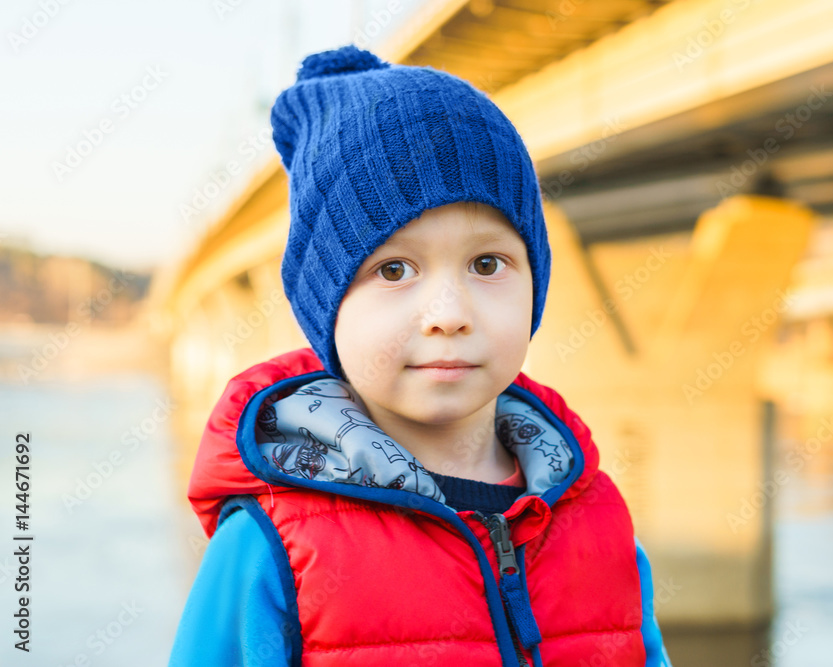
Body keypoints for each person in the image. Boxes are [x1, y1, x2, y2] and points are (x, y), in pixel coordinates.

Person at [169, 44, 671, 667]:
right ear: (325, 309)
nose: (449, 312)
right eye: (395, 269)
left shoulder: (594, 515)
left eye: (488, 264)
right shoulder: (274, 543)